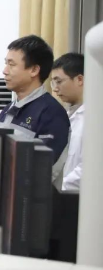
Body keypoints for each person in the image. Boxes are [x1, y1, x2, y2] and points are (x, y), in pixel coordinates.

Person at [0, 35, 70, 178]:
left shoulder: (52, 113)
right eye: (6, 63)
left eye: (12, 65)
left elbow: (44, 171)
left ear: (34, 70)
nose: (5, 71)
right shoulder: (7, 110)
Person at [51, 53, 85, 191]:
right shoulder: (66, 115)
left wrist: (58, 187)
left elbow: (89, 168)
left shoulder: (95, 120)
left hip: (78, 196)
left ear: (79, 79)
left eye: (59, 81)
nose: (55, 89)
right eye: (53, 83)